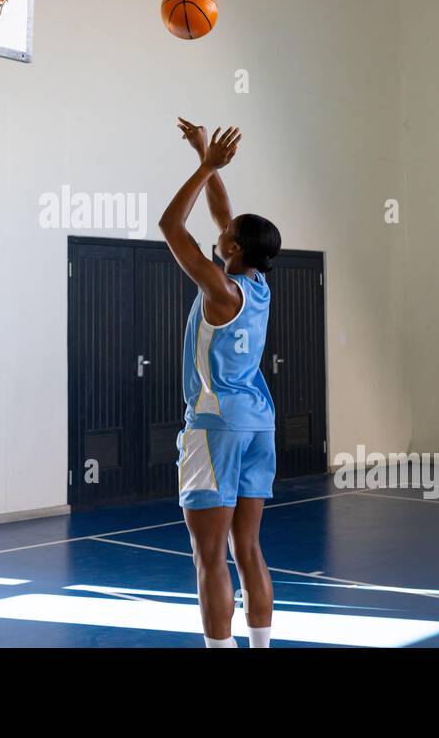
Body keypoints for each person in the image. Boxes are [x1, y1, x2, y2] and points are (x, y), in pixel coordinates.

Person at [159, 118, 282, 648]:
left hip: (216, 425)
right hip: (260, 422)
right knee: (247, 549)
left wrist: (206, 166)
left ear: (232, 250)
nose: (221, 231)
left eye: (226, 237)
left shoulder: (220, 291)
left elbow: (171, 225)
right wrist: (204, 158)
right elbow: (223, 216)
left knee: (208, 557)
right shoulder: (256, 285)